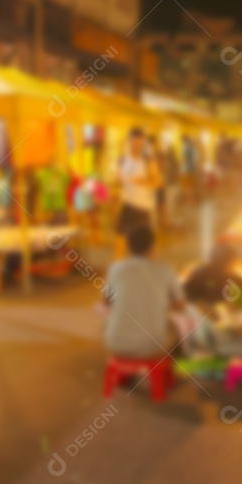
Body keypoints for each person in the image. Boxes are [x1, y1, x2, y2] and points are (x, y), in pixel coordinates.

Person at [104, 225, 182, 359]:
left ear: (128, 247)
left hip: (116, 342)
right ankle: (167, 372)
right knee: (179, 327)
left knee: (109, 321)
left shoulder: (116, 269)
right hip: (152, 345)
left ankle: (127, 373)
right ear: (153, 246)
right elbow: (179, 305)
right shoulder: (165, 270)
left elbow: (107, 302)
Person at [115, 127, 162, 259]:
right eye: (134, 141)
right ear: (128, 141)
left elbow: (157, 182)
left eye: (139, 142)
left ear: (143, 142)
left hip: (143, 207)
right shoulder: (121, 160)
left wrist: (141, 181)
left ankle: (147, 273)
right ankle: (118, 272)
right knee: (120, 241)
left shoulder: (148, 161)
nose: (136, 145)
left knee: (145, 247)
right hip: (127, 205)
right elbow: (119, 183)